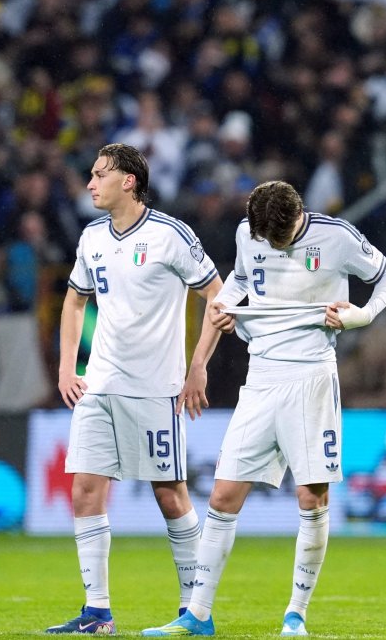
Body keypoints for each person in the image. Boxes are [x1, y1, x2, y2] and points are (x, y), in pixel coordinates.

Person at [142, 180, 386, 637]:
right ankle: (198, 615)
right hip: (260, 376)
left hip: (311, 379)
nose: (270, 244)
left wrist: (361, 314)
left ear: (298, 217)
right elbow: (239, 283)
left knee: (312, 497)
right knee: (223, 496)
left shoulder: (336, 236)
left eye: (278, 239)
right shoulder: (250, 232)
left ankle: (296, 615)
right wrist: (217, 327)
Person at [45, 143, 223, 635]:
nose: (89, 184)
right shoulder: (91, 238)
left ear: (128, 181)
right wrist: (67, 368)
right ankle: (97, 612)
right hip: (98, 384)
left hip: (154, 389)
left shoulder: (170, 235)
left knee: (170, 494)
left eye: (99, 174)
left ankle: (195, 613)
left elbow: (217, 294)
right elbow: (74, 302)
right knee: (84, 490)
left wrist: (198, 367)